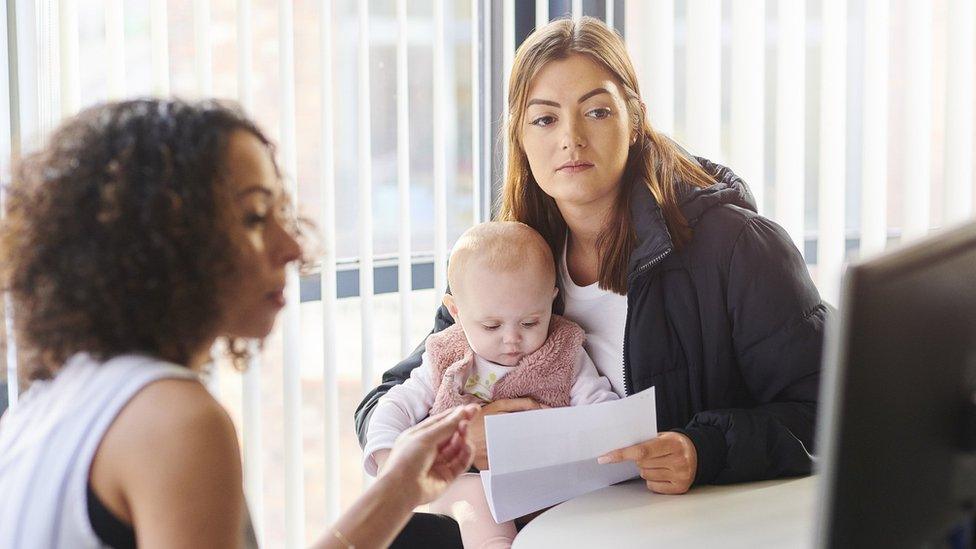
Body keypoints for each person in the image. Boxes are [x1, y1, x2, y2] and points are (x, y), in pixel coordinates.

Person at [356, 16, 826, 546]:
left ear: (635, 119)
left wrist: (704, 449)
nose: (571, 139)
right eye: (544, 120)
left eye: (596, 112)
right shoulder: (508, 254)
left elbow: (831, 410)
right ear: (519, 135)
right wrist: (456, 436)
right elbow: (396, 393)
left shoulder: (737, 248)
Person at [0, 98, 479, 549]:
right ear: (164, 244)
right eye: (254, 217)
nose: (292, 246)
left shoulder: (49, 406)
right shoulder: (176, 420)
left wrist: (399, 489)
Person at [363, 221, 618, 548]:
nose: (512, 339)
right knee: (475, 495)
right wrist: (391, 463)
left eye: (530, 322)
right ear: (455, 311)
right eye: (491, 325)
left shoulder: (563, 351)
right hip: (461, 487)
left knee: (573, 511)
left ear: (551, 301)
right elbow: (395, 404)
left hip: (542, 486)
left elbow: (601, 409)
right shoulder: (446, 354)